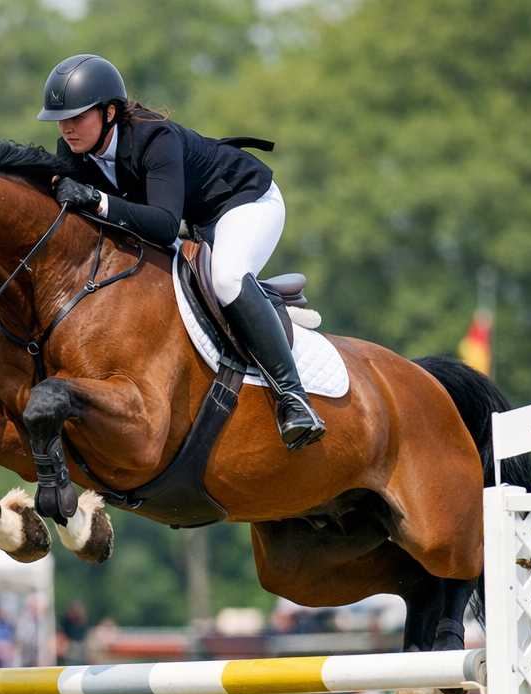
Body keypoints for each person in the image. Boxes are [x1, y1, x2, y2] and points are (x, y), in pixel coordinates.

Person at [36, 53, 325, 450]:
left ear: (109, 113)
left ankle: (294, 399)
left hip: (245, 202)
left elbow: (163, 224)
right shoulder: (74, 150)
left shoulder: (155, 139)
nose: (66, 128)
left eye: (76, 117)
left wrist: (96, 200)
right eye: (60, 120)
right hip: (199, 221)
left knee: (225, 278)